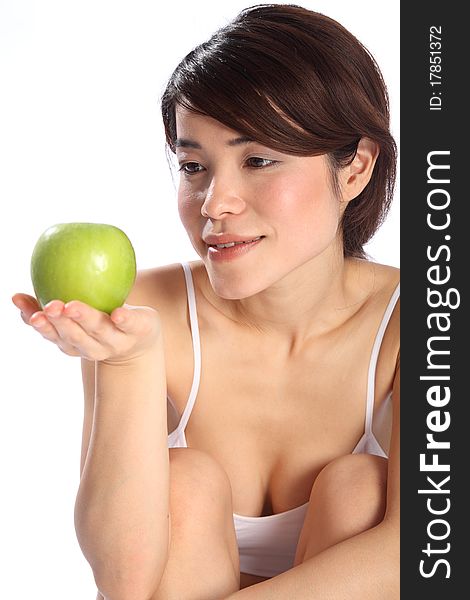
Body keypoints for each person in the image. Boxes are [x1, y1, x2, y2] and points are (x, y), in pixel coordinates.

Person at [12, 4, 399, 599]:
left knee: (361, 490)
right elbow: (124, 580)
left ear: (354, 170)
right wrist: (124, 362)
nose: (215, 203)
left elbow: (419, 553)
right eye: (194, 166)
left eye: (258, 160)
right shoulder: (138, 311)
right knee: (183, 483)